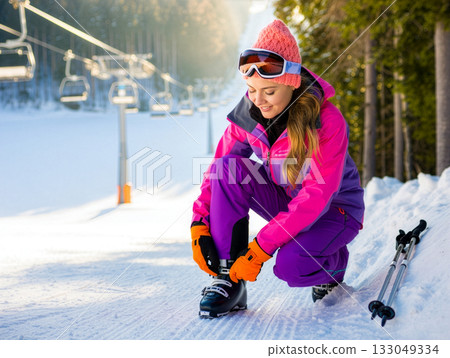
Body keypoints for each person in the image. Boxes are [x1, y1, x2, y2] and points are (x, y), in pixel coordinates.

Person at [190, 19, 364, 318]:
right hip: (288, 200)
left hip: (335, 211)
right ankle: (228, 278)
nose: (257, 100)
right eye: (251, 89)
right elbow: (218, 170)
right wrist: (199, 223)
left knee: (292, 267)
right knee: (229, 167)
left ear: (291, 83)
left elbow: (318, 195)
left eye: (268, 92)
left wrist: (260, 248)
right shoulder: (249, 113)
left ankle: (334, 266)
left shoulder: (327, 121)